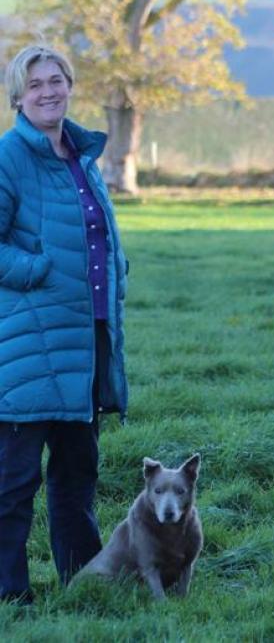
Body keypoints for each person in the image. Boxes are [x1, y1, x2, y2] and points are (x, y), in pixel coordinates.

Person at [0, 44, 128, 605]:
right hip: (30, 341)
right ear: (17, 98)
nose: (48, 91)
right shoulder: (9, 156)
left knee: (78, 475)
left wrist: (117, 273)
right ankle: (9, 595)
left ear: (71, 84)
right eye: (35, 85)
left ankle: (84, 587)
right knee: (13, 482)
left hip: (89, 337)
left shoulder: (82, 155)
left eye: (56, 80)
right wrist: (37, 271)